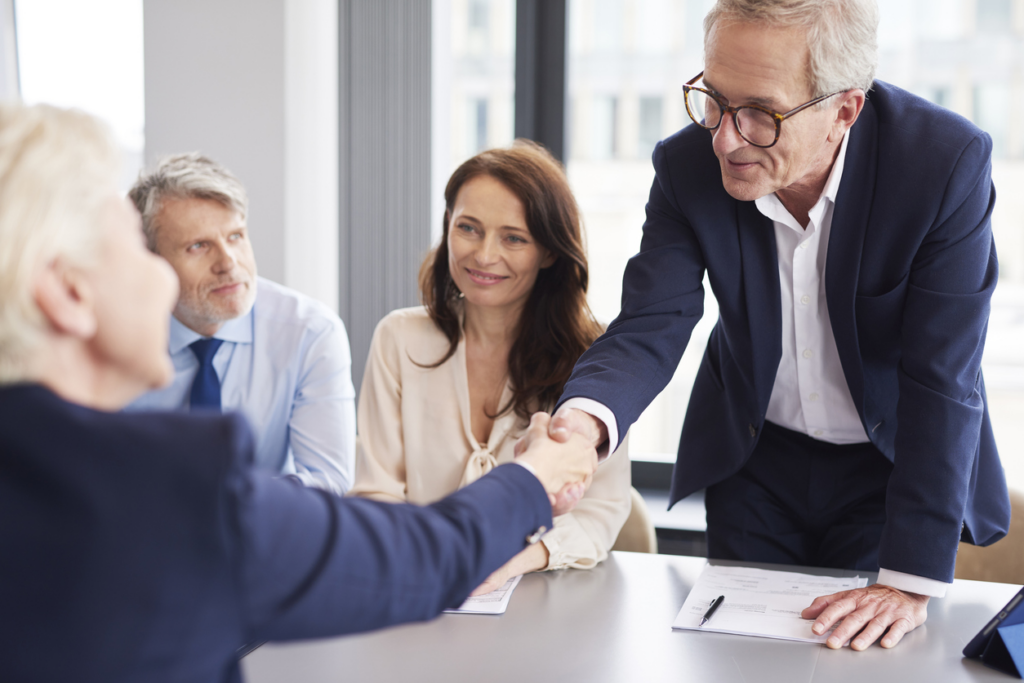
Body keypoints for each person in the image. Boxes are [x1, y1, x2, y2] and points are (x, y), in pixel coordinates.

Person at [0, 103, 598, 683]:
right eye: (132, 248)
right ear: (68, 294)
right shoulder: (166, 489)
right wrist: (536, 476)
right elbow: (423, 557)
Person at [550, 0, 1010, 651]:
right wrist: (581, 427)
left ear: (843, 110)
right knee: (743, 657)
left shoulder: (941, 165)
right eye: (713, 98)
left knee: (865, 654)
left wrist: (908, 580)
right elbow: (652, 322)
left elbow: (943, 375)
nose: (725, 139)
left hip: (890, 468)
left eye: (761, 114)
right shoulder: (687, 167)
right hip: (755, 457)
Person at [349, 141, 631, 593]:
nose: (483, 255)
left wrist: (495, 566)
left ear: (550, 251)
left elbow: (601, 510)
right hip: (415, 592)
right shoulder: (398, 338)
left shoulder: (594, 353)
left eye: (514, 238)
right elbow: (375, 493)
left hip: (543, 603)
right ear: (448, 227)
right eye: (469, 228)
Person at [126, 154, 355, 494]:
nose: (228, 263)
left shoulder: (309, 333)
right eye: (199, 246)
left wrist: (227, 504)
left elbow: (329, 481)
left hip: (263, 534)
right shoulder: (115, 335)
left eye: (235, 237)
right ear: (151, 261)